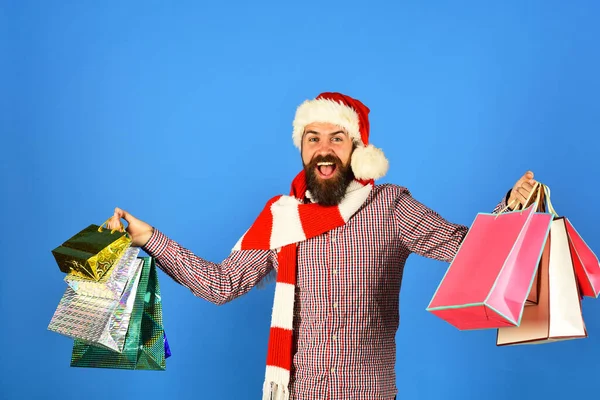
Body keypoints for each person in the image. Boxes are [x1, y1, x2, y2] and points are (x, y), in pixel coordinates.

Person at [108, 92, 537, 400]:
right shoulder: (281, 219)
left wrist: (510, 211)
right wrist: (147, 238)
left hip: (368, 392)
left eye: (337, 138)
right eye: (312, 138)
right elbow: (220, 285)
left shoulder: (390, 206)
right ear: (302, 149)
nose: (323, 148)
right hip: (295, 393)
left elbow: (464, 248)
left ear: (356, 150)